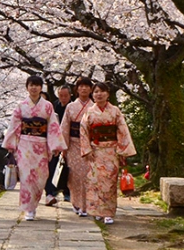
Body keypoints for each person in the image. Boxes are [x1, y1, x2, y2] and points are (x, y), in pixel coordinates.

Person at [3, 75, 67, 221]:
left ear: (41, 87)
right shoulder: (20, 106)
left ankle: (34, 204)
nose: (34, 88)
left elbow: (52, 126)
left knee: (40, 177)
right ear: (27, 87)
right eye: (31, 85)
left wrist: (55, 145)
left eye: (37, 85)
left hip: (41, 144)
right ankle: (28, 209)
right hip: (25, 144)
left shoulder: (47, 106)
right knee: (26, 177)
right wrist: (11, 145)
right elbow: (14, 126)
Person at [80, 82, 136, 225]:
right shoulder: (89, 112)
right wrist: (86, 150)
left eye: (102, 91)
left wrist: (122, 151)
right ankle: (97, 211)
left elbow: (122, 130)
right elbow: (84, 132)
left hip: (111, 150)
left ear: (108, 94)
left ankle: (109, 212)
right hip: (95, 150)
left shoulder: (115, 111)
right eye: (96, 92)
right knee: (94, 181)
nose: (99, 94)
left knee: (109, 182)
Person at [60, 77, 94, 217]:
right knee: (74, 175)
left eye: (87, 86)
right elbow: (65, 128)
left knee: (88, 175)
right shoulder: (70, 107)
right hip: (73, 144)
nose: (84, 89)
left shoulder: (94, 107)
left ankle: (86, 205)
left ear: (90, 89)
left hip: (90, 145)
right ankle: (76, 203)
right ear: (77, 89)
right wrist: (63, 148)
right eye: (81, 86)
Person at [45, 85, 73, 205]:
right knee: (52, 166)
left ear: (70, 95)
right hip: (55, 140)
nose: (63, 98)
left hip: (71, 140)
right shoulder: (54, 106)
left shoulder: (73, 107)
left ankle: (68, 192)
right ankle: (50, 192)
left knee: (68, 168)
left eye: (65, 95)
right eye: (61, 95)